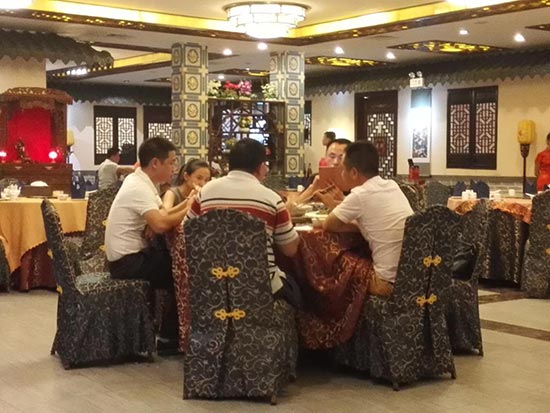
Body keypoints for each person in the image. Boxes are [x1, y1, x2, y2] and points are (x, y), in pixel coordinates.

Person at [186, 138, 302, 307]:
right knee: (298, 290)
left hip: (212, 285)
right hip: (260, 287)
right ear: (260, 167)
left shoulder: (205, 193)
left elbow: (187, 230)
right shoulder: (271, 199)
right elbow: (290, 250)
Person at [105, 137, 187, 352]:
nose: (174, 168)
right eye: (171, 162)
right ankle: (169, 339)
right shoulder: (138, 187)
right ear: (155, 163)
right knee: (183, 271)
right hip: (127, 262)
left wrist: (189, 201)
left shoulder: (142, 181)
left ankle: (167, 333)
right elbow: (160, 224)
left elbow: (163, 213)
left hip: (132, 256)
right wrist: (190, 208)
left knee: (177, 265)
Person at [323, 142, 413, 297]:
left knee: (338, 264)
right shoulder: (392, 185)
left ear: (353, 173)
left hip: (387, 283)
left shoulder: (359, 194)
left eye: (343, 170)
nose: (342, 174)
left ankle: (329, 311)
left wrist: (336, 208)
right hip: (413, 278)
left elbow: (328, 224)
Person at [293, 138, 352, 207]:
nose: (335, 162)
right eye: (332, 156)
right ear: (325, 157)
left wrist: (342, 200)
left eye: (341, 157)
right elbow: (295, 206)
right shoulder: (315, 178)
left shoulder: (355, 182)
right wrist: (311, 189)